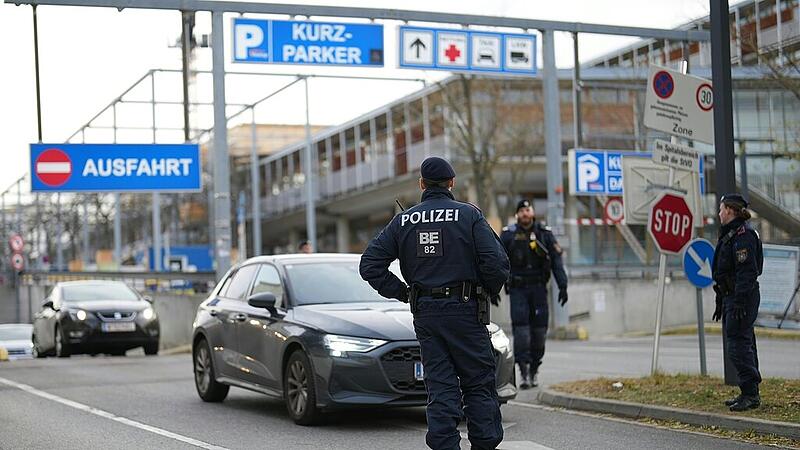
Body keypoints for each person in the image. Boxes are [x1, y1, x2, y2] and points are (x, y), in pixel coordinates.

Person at [360, 156, 510, 450]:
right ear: (452, 183)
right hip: (466, 311)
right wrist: (486, 290)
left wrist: (404, 293)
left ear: (422, 185)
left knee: (440, 386)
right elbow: (496, 262)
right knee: (478, 383)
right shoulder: (469, 215)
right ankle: (484, 444)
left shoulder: (404, 221)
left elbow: (370, 265)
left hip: (426, 314)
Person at [499, 199, 567, 389]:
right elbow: (496, 261)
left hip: (538, 290)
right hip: (518, 290)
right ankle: (524, 371)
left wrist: (563, 285)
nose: (525, 214)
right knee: (521, 332)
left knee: (539, 332)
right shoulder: (508, 235)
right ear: (517, 215)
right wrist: (492, 287)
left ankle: (535, 367)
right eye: (521, 211)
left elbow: (556, 261)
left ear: (533, 213)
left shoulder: (544, 234)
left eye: (528, 210)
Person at [711, 193, 763, 412]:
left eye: (722, 209)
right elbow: (726, 271)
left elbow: (746, 272)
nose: (719, 213)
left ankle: (750, 394)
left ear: (730, 211)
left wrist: (740, 301)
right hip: (733, 297)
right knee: (743, 343)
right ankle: (748, 391)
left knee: (738, 346)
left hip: (742, 298)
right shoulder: (731, 234)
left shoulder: (743, 236)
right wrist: (721, 300)